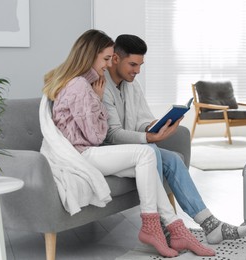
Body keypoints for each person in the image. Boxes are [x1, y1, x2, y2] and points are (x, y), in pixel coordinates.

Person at [41, 29, 215, 257]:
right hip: (80, 154)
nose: (107, 64)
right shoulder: (80, 87)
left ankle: (175, 228)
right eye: (105, 58)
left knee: (147, 163)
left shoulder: (86, 84)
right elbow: (96, 136)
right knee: (146, 154)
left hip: (86, 151)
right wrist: (96, 99)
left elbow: (97, 130)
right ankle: (153, 227)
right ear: (89, 56)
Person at [102, 34, 246, 244]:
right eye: (133, 64)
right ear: (115, 59)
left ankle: (210, 225)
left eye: (140, 65)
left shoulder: (132, 85)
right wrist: (148, 136)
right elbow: (112, 134)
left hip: (134, 147)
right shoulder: (101, 86)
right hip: (110, 151)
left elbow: (142, 120)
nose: (137, 71)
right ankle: (165, 226)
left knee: (173, 158)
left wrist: (158, 126)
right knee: (152, 153)